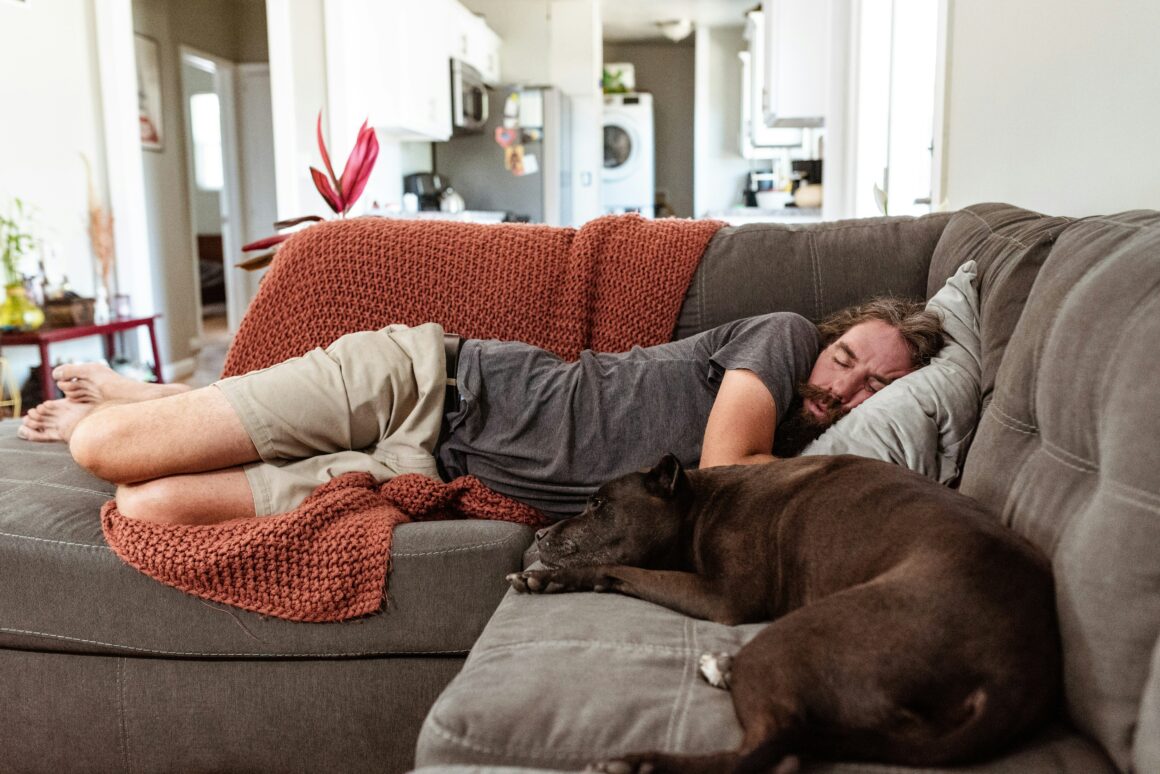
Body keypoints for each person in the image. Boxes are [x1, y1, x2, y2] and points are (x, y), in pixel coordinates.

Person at [18, 299, 943, 524]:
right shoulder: (780, 339)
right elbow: (730, 469)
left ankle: (191, 401)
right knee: (104, 447)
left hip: (423, 471)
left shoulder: (798, 438)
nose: (844, 388)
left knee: (151, 507)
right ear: (825, 338)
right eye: (847, 357)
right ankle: (164, 393)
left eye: (873, 392)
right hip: (431, 383)